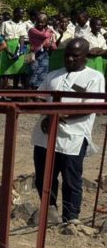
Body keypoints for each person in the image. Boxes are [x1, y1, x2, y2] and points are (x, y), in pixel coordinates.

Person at [32, 38, 104, 225]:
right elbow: (39, 97)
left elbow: (89, 107)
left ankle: (71, 218)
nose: (70, 59)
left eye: (75, 56)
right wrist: (46, 113)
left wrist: (57, 116)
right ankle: (49, 211)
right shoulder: (54, 75)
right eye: (67, 55)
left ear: (85, 56)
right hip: (45, 135)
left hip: (73, 136)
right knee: (44, 176)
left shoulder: (94, 77)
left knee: (71, 179)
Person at [28, 11, 57, 89]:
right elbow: (44, 36)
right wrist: (49, 30)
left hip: (44, 55)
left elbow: (54, 46)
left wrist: (51, 43)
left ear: (45, 23)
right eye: (38, 22)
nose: (40, 24)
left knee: (43, 74)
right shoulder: (32, 30)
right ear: (35, 21)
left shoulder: (47, 31)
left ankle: (39, 93)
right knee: (33, 73)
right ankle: (30, 94)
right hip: (34, 55)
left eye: (42, 22)